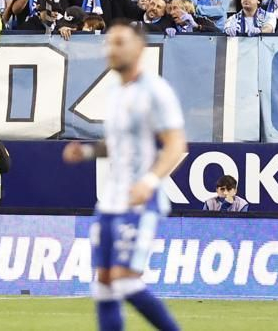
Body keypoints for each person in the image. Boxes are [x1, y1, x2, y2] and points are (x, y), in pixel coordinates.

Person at [63, 21, 187, 331]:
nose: (111, 49)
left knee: (124, 280)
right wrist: (89, 153)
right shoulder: (116, 91)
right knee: (103, 283)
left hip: (139, 200)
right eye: (109, 43)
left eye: (120, 42)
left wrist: (148, 182)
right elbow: (117, 145)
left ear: (139, 48)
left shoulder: (155, 90)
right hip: (111, 200)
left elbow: (175, 146)